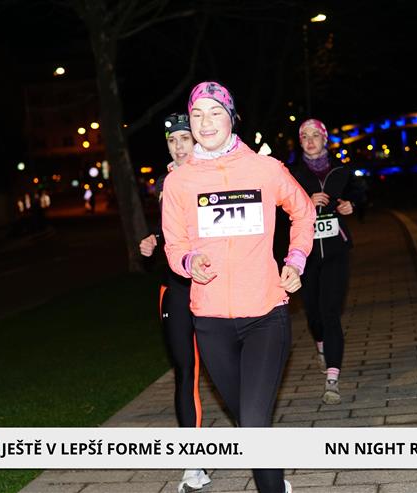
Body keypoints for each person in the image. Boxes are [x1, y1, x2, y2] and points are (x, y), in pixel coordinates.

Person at [162, 81, 315, 493]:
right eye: (197, 114)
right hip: (211, 321)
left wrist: (295, 259)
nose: (205, 122)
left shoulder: (265, 169)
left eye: (215, 112)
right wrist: (190, 262)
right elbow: (175, 245)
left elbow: (303, 213)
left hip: (265, 313)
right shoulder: (178, 182)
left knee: (252, 424)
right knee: (249, 422)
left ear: (231, 117)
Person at [138, 113, 211, 493]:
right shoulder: (165, 183)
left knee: (228, 369)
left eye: (185, 138)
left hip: (216, 286)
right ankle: (194, 462)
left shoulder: (214, 174)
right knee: (186, 370)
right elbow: (171, 232)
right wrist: (154, 241)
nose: (179, 146)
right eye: (172, 141)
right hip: (176, 289)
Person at [292, 118, 360, 406]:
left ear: (324, 139)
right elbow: (279, 207)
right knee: (314, 314)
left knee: (330, 312)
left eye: (315, 135)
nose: (310, 141)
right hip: (305, 255)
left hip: (335, 252)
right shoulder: (292, 174)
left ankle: (332, 378)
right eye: (304, 136)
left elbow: (359, 193)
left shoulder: (341, 171)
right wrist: (305, 203)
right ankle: (320, 343)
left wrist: (351, 204)